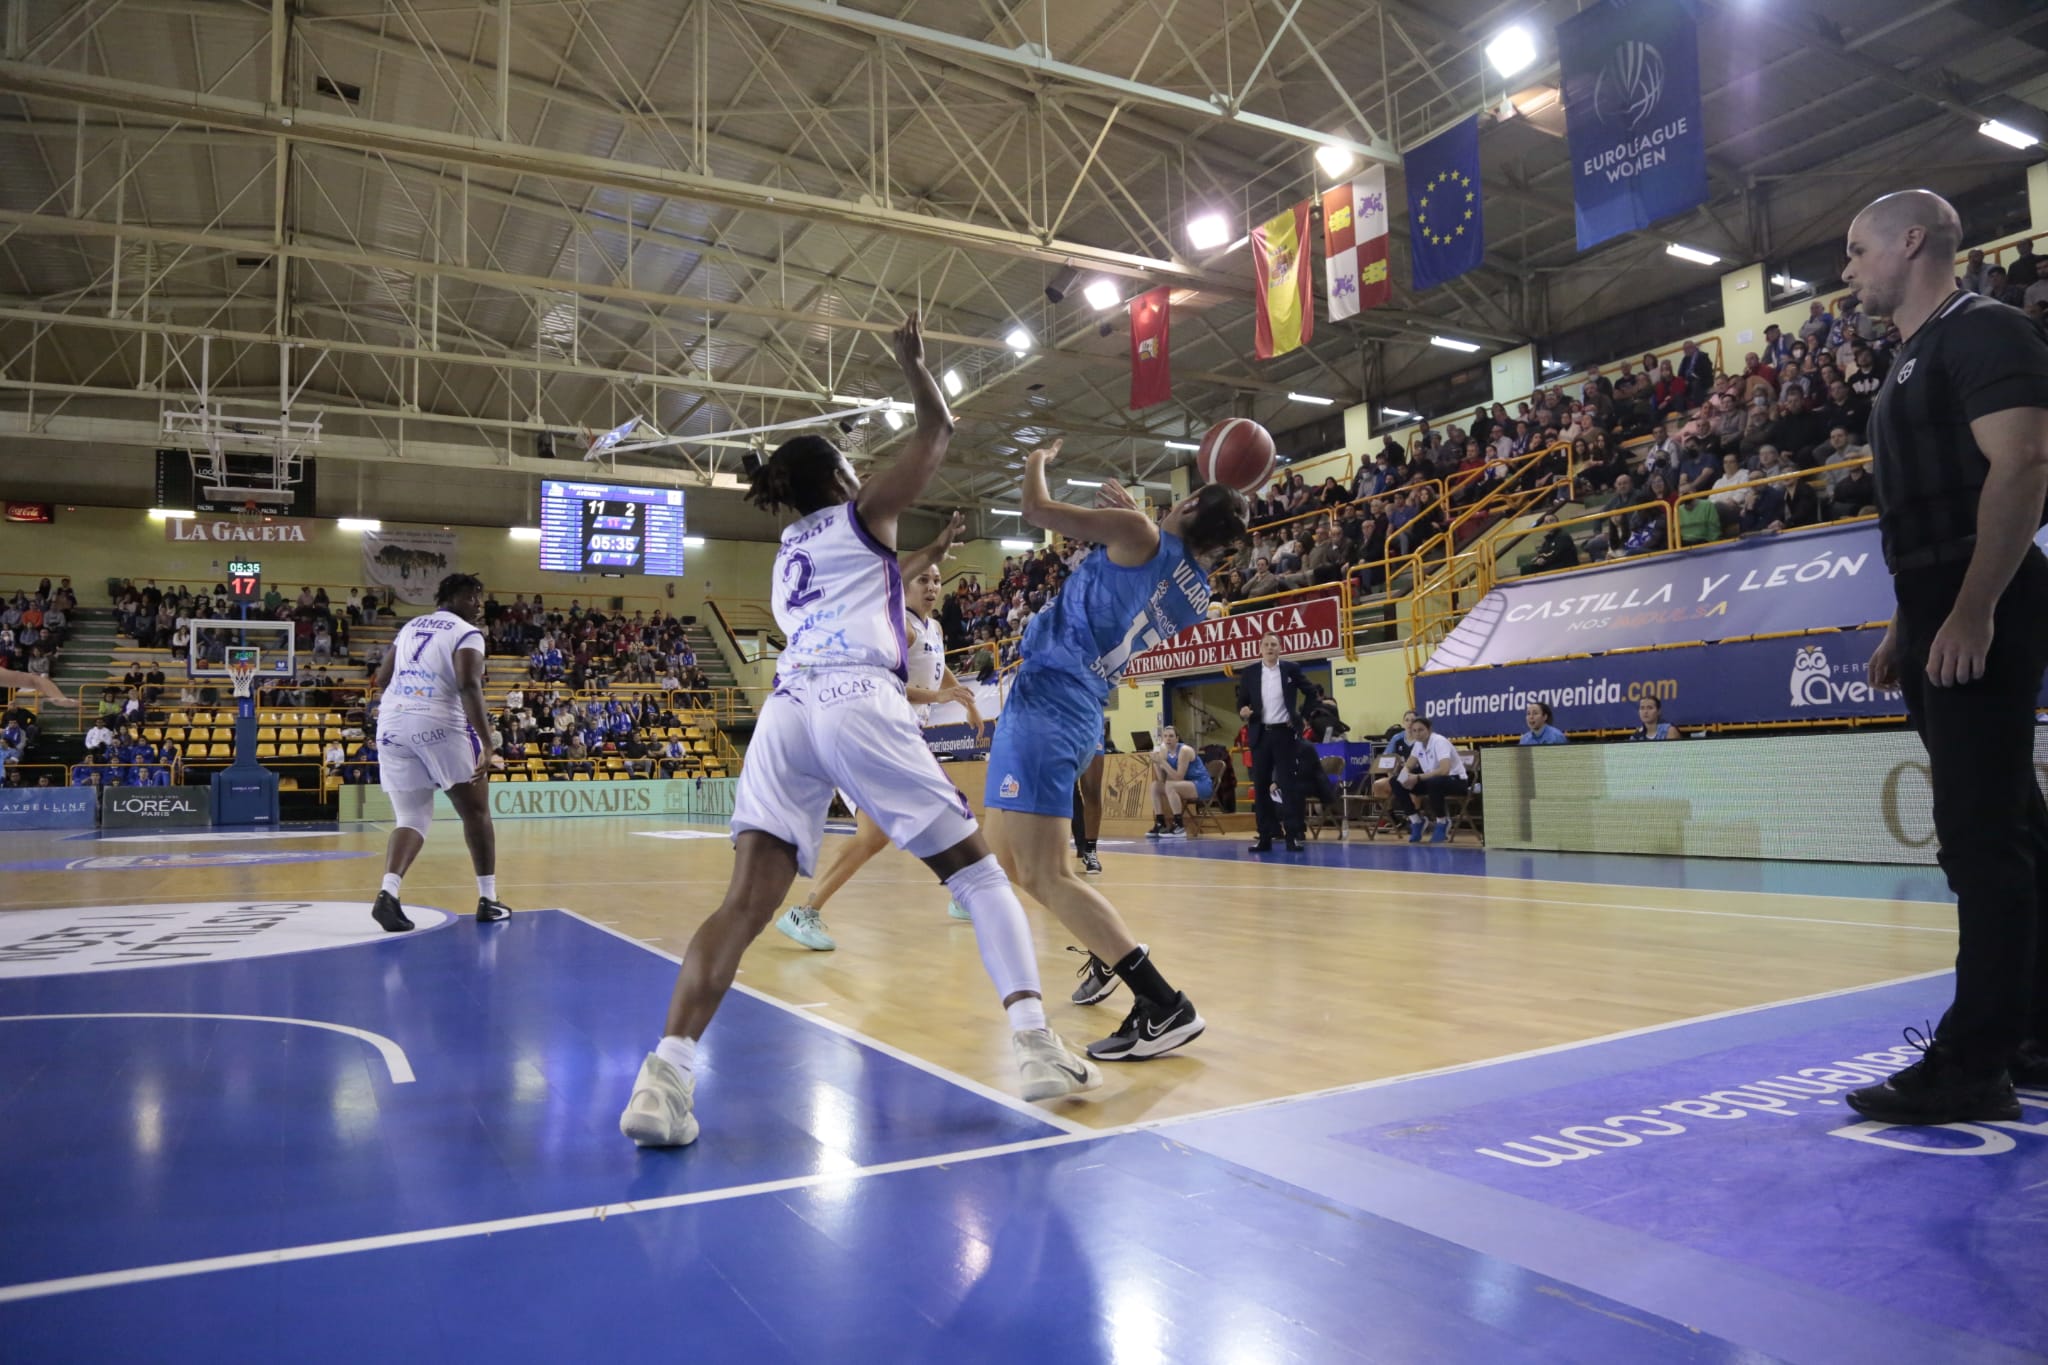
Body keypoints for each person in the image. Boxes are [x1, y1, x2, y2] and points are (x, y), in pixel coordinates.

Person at [619, 317, 1100, 1150]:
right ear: (840, 476)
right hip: (855, 697)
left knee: (741, 904)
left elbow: (878, 580)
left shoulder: (787, 553)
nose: (859, 472)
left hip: (785, 709)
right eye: (849, 465)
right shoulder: (861, 512)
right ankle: (1033, 1045)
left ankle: (665, 1077)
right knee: (978, 874)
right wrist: (914, 366)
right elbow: (939, 432)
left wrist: (930, 550)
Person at [1837, 188, 2048, 1126]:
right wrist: (1905, 623)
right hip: (1937, 605)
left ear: (1911, 241)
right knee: (2016, 826)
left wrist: (1973, 609)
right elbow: (1930, 510)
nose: (1846, 270)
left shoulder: (1982, 329)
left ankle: (1974, 1062)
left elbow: (2026, 462)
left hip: (1981, 599)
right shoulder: (1910, 359)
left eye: (1855, 249)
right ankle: (2033, 1029)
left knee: (1979, 839)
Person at [981, 437, 1249, 1060]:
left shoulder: (1140, 533)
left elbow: (1036, 511)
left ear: (1187, 513)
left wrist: (1035, 459)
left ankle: (1160, 1000)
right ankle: (1108, 949)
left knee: (1042, 873)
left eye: (1182, 499)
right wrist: (1136, 524)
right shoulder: (1196, 589)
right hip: (1071, 708)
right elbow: (1145, 572)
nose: (1171, 503)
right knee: (1004, 866)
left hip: (1049, 704)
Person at [772, 519, 985, 951]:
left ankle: (962, 892)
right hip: (873, 735)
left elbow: (940, 672)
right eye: (923, 579)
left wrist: (965, 698)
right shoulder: (896, 629)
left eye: (937, 580)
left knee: (907, 826)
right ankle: (804, 911)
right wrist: (936, 696)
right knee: (933, 815)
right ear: (905, 587)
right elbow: (888, 685)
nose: (931, 586)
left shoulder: (935, 629)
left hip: (900, 738)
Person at [368, 572, 512, 932]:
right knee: (476, 813)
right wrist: (488, 740)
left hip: (391, 723)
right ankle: (489, 899)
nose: (478, 604)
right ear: (451, 597)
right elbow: (468, 684)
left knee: (411, 819)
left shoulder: (411, 626)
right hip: (437, 722)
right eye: (472, 596)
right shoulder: (467, 633)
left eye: (480, 597)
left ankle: (388, 892)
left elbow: (381, 678)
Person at [1234, 632, 1315, 852]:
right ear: (1260, 649)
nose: (1270, 648)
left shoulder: (1291, 669)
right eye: (1266, 645)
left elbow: (1311, 693)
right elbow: (1241, 702)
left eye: (1274, 644)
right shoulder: (1250, 672)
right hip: (1260, 735)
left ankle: (1293, 835)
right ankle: (1265, 836)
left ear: (1280, 648)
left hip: (1284, 734)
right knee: (1260, 788)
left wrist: (1301, 717)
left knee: (1288, 786)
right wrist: (1243, 711)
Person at [1390, 716, 1469, 843]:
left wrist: (1418, 777)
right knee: (1396, 781)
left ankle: (1442, 821)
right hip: (1432, 781)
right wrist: (1404, 778)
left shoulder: (1439, 742)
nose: (1417, 733)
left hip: (1456, 780)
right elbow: (1409, 765)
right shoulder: (1418, 744)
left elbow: (1444, 770)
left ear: (1429, 729)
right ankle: (1416, 821)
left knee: (1434, 782)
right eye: (1414, 731)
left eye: (1420, 730)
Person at [1144, 725, 1212, 839]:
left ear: (1177, 738)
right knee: (1155, 786)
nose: (1168, 739)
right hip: (1186, 784)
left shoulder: (1184, 750)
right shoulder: (1165, 750)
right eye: (1165, 736)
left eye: (1171, 736)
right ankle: (1160, 822)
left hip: (1201, 784)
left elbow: (1178, 777)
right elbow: (1161, 779)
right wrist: (1156, 762)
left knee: (1171, 786)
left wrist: (1163, 762)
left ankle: (1179, 826)